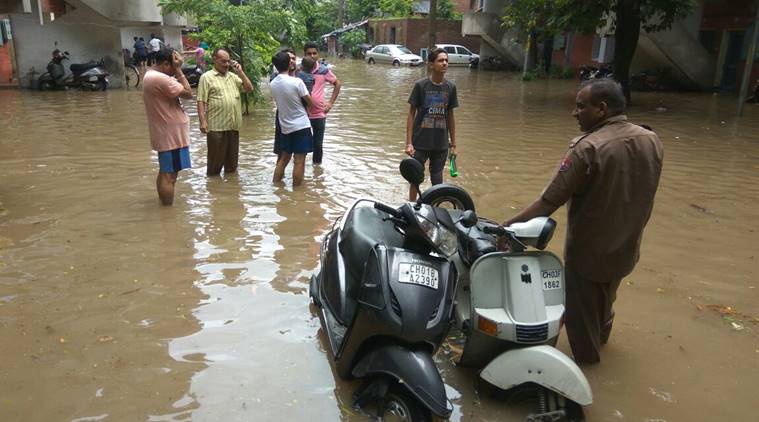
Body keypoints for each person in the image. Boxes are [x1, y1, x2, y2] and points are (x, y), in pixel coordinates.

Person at [501, 79, 664, 364]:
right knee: (605, 304)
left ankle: (588, 377)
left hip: (588, 255)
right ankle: (602, 342)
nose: (574, 113)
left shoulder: (587, 148)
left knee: (580, 320)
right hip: (627, 248)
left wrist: (502, 229)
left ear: (601, 109)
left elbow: (548, 203)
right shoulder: (651, 140)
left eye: (580, 106)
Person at [141, 47, 193, 205]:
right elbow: (188, 93)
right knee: (169, 175)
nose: (176, 67)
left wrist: (175, 67)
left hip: (167, 132)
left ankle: (164, 209)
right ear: (165, 64)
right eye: (174, 64)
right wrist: (179, 71)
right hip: (171, 134)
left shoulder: (151, 75)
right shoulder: (160, 78)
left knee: (166, 172)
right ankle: (168, 211)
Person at [405, 47, 458, 201]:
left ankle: (434, 209)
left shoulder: (450, 88)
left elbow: (451, 116)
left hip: (440, 144)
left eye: (446, 60)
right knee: (415, 178)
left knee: (437, 181)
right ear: (431, 65)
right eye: (440, 60)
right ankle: (412, 207)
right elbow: (411, 114)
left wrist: (453, 144)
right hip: (420, 142)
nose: (445, 63)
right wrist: (409, 143)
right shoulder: (421, 86)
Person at [197, 48, 255, 176]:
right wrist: (202, 121)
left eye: (228, 61)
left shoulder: (233, 77)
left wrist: (240, 72)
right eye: (223, 61)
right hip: (216, 128)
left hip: (233, 127)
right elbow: (201, 100)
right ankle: (214, 191)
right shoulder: (206, 78)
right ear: (214, 60)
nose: (227, 64)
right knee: (214, 167)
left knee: (232, 167)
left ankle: (231, 193)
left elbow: (249, 88)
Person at [269, 51, 313, 187]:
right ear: (289, 64)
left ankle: (276, 187)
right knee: (299, 161)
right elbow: (310, 102)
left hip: (285, 127)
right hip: (301, 126)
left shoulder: (273, 84)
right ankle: (297, 193)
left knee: (283, 159)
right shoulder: (297, 82)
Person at [303, 41, 341, 165]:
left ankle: (317, 171)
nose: (312, 56)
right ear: (305, 55)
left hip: (319, 114)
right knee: (300, 146)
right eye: (309, 53)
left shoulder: (323, 70)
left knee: (318, 146)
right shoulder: (299, 71)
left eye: (314, 53)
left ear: (318, 54)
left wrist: (330, 103)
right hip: (302, 114)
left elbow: (337, 84)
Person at [271, 48, 298, 158]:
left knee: (300, 154)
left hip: (299, 117)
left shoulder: (302, 76)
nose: (291, 61)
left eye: (293, 58)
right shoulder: (276, 79)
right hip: (283, 117)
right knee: (282, 153)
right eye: (288, 58)